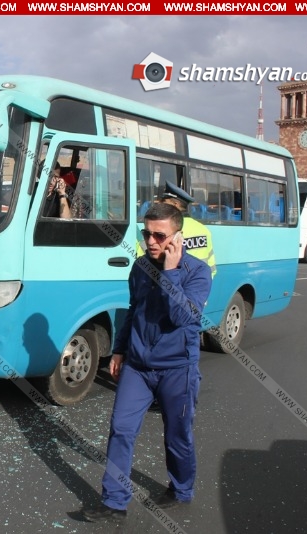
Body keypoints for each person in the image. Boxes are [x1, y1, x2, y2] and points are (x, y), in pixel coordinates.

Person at [84, 202, 212, 522]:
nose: (151, 241)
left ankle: (181, 489)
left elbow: (182, 316)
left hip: (177, 369)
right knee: (121, 429)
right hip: (138, 367)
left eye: (159, 235)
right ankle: (114, 503)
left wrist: (170, 271)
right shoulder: (140, 267)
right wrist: (119, 349)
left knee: (177, 436)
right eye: (146, 234)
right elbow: (134, 310)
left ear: (177, 237)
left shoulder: (197, 272)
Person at [138, 181, 216, 278]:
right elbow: (211, 267)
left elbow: (142, 265)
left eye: (164, 202)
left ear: (175, 205)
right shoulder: (203, 229)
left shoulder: (168, 229)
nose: (159, 205)